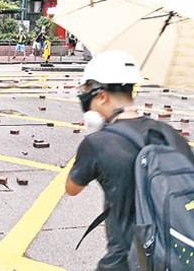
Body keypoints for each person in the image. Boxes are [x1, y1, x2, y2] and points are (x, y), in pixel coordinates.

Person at [65, 51, 194, 270]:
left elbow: (72, 188)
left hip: (126, 260)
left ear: (102, 95)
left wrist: (94, 139)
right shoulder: (169, 133)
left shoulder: (98, 143)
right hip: (174, 255)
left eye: (86, 92)